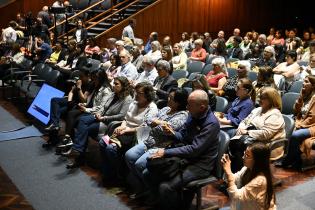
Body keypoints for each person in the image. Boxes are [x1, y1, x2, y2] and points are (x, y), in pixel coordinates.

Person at [144, 90, 220, 210]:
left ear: (202, 107)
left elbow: (194, 150)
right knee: (148, 173)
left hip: (200, 165)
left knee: (166, 187)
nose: (187, 107)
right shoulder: (192, 114)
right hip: (185, 158)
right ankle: (163, 203)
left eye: (190, 105)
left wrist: (165, 152)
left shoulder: (211, 123)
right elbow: (182, 136)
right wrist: (173, 133)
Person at [125, 88, 188, 194]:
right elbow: (147, 118)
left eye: (171, 98)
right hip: (149, 140)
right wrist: (159, 122)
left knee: (139, 164)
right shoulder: (165, 109)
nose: (168, 99)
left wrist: (155, 122)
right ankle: (142, 185)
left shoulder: (182, 116)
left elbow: (163, 130)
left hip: (162, 146)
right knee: (129, 155)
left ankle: (150, 191)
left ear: (178, 102)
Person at [62, 76, 133, 168]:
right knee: (81, 120)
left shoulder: (127, 99)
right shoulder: (113, 94)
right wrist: (98, 114)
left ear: (123, 86)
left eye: (116, 84)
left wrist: (104, 118)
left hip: (109, 123)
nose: (114, 85)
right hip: (100, 117)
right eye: (113, 83)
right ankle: (78, 151)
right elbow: (103, 107)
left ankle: (78, 154)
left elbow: (121, 116)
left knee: (84, 128)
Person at [99, 82, 158, 180]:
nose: (136, 95)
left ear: (148, 95)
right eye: (136, 92)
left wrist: (126, 131)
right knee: (102, 142)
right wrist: (122, 126)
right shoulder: (134, 103)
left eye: (139, 93)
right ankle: (108, 171)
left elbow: (144, 128)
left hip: (136, 135)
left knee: (111, 148)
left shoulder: (152, 108)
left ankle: (118, 173)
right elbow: (126, 119)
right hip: (124, 130)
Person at [229, 87, 285, 172]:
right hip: (251, 138)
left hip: (267, 144)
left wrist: (247, 132)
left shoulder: (275, 114)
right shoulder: (257, 110)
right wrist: (241, 127)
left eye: (263, 98)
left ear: (271, 100)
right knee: (232, 143)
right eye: (260, 97)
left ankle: (240, 175)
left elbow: (266, 134)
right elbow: (245, 120)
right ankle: (235, 174)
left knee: (242, 148)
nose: (260, 100)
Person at [221, 142, 276, 210]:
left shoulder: (260, 181)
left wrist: (228, 173)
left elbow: (237, 197)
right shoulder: (248, 168)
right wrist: (227, 169)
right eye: (244, 153)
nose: (243, 157)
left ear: (257, 161)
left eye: (247, 156)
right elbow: (235, 178)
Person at [277, 76, 315, 169]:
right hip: (301, 122)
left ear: (313, 85)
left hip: (312, 126)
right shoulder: (304, 94)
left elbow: (312, 118)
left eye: (306, 82)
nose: (303, 84)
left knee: (295, 135)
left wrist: (300, 125)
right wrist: (300, 98)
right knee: (283, 129)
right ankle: (297, 161)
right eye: (303, 81)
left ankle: (289, 159)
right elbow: (295, 110)